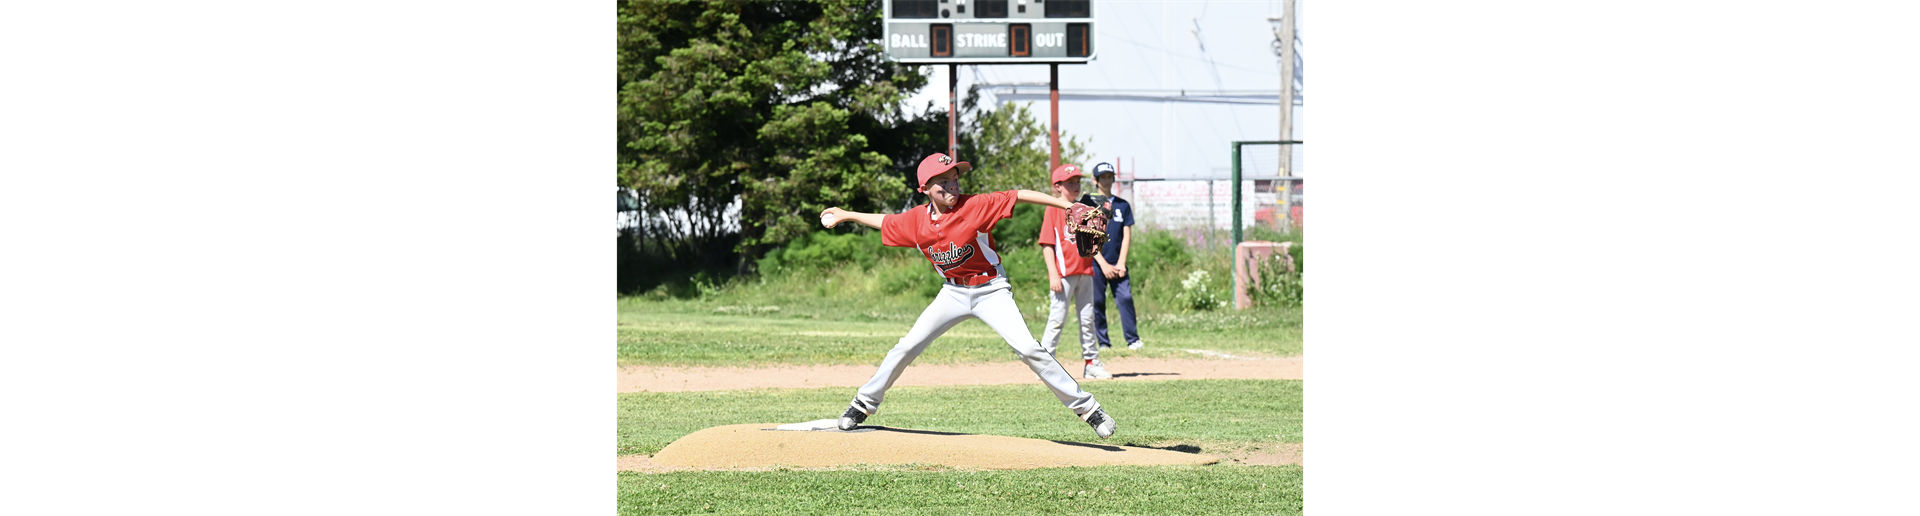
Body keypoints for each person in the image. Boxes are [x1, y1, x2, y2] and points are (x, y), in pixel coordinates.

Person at [819, 153, 1117, 439]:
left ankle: (1089, 409)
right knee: (907, 346)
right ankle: (863, 404)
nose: (951, 185)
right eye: (942, 182)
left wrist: (1064, 205)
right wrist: (847, 215)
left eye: (954, 178)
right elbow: (886, 221)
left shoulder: (975, 206)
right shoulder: (916, 222)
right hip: (952, 292)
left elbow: (1019, 194)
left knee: (1028, 349)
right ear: (924, 189)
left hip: (991, 290)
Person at [1038, 163, 1112, 380]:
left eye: (1078, 182)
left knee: (1088, 319)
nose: (1076, 186)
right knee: (1058, 317)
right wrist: (1053, 273)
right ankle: (1044, 364)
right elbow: (1047, 244)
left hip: (1085, 270)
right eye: (1070, 182)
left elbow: (1092, 242)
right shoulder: (1052, 208)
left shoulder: (1085, 207)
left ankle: (1091, 363)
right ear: (1058, 186)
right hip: (1063, 273)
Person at [1083, 163, 1144, 350]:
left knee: (1125, 298)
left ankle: (1133, 340)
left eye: (1110, 176)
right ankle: (1103, 342)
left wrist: (1121, 262)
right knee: (1098, 302)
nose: (1107, 180)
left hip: (1118, 263)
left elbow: (1126, 235)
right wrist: (1103, 264)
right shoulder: (1087, 203)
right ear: (1095, 180)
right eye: (1103, 177)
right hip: (1096, 263)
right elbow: (1086, 235)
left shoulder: (1122, 205)